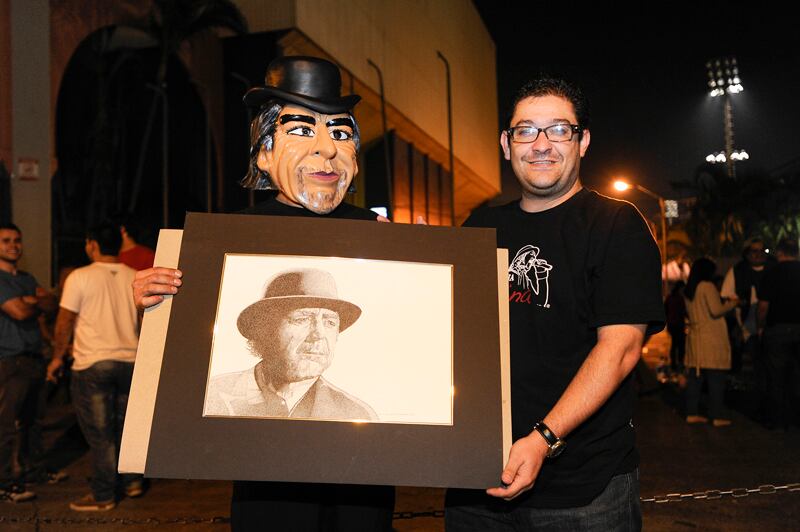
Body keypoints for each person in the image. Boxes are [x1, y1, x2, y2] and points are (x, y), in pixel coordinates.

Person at [133, 56, 394, 531]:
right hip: (267, 496)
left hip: (361, 493)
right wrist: (156, 300)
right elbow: (179, 359)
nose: (326, 149)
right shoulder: (228, 238)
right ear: (264, 152)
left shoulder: (380, 235)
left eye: (340, 133)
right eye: (302, 131)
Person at [445, 76, 664, 530]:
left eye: (559, 130)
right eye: (525, 130)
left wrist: (542, 439)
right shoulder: (479, 227)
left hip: (584, 490)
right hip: (477, 481)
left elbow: (621, 349)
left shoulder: (615, 224)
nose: (541, 144)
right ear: (506, 144)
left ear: (582, 141)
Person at [47, 223, 144, 511]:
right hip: (131, 360)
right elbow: (143, 320)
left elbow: (65, 321)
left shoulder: (80, 277)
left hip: (93, 364)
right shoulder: (134, 276)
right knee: (127, 428)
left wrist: (57, 357)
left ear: (92, 244)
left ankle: (103, 494)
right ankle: (133, 482)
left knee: (100, 434)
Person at [205, 268, 377, 420]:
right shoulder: (210, 395)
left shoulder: (357, 415)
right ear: (265, 329)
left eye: (330, 322)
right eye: (302, 319)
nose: (319, 334)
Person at [0, 223, 56, 503]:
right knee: (6, 424)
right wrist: (33, 301)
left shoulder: (26, 277)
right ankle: (4, 483)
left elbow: (52, 303)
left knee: (33, 422)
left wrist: (29, 300)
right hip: (9, 360)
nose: (13, 245)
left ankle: (33, 471)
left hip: (34, 358)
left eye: (17, 240)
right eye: (6, 240)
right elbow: (19, 312)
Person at [683, 257, 738, 427]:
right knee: (716, 379)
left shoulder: (689, 289)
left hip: (695, 338)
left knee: (695, 379)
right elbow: (716, 311)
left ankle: (691, 413)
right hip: (711, 338)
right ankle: (716, 415)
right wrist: (732, 303)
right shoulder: (707, 286)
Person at [757, 237, 800, 429]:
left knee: (776, 377)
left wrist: (760, 327)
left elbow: (763, 306)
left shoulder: (772, 273)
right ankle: (795, 418)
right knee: (796, 375)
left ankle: (777, 419)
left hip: (777, 329)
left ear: (780, 253)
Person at [720, 238, 768, 374]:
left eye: (762, 251)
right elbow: (726, 294)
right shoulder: (738, 270)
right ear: (747, 254)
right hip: (746, 323)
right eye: (754, 251)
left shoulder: (772, 268)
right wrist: (739, 302)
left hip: (770, 324)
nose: (758, 254)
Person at [664, 281, 687, 371]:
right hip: (678, 324)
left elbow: (665, 310)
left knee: (674, 344)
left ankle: (673, 363)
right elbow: (683, 311)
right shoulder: (680, 299)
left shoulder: (670, 298)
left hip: (672, 324)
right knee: (680, 345)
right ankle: (679, 362)